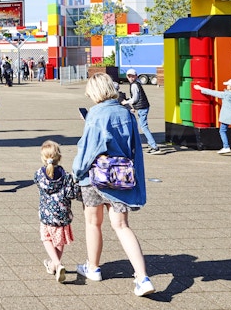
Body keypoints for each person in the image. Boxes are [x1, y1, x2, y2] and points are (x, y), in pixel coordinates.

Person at [72, 73, 153, 297]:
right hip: (122, 175)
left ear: (95, 91)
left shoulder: (96, 114)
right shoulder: (126, 113)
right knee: (121, 225)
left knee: (93, 223)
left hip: (94, 177)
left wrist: (76, 172)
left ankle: (93, 267)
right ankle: (142, 277)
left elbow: (88, 150)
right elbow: (134, 148)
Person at [36, 140, 80, 284]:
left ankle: (56, 263)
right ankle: (54, 265)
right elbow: (72, 193)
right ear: (59, 157)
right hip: (63, 214)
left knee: (46, 238)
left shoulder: (39, 175)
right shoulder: (66, 176)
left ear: (43, 158)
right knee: (59, 240)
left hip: (46, 214)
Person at [193, 79, 231, 157]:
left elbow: (213, 93)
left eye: (228, 85)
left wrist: (201, 88)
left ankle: (226, 146)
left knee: (222, 130)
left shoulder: (226, 95)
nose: (227, 86)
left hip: (226, 116)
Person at [121, 69, 161, 155]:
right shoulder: (137, 83)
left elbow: (135, 98)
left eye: (132, 76)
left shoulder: (134, 85)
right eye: (129, 76)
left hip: (142, 107)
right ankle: (151, 145)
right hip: (143, 107)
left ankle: (154, 146)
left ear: (136, 76)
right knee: (143, 126)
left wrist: (126, 102)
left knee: (143, 127)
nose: (131, 78)